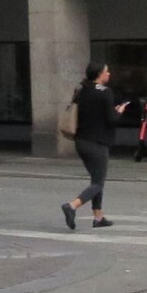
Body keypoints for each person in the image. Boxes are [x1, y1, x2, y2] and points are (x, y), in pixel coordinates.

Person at [61, 64, 133, 231]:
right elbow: (111, 119)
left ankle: (98, 217)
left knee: (96, 180)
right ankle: (72, 206)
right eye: (107, 70)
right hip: (98, 143)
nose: (109, 73)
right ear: (100, 74)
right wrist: (119, 111)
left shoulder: (82, 90)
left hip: (81, 141)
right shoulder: (105, 92)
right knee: (98, 183)